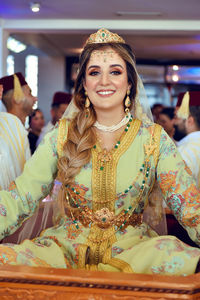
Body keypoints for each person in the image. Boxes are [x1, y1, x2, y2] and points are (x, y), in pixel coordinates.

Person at [0, 28, 200, 275]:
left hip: (135, 252)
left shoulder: (154, 140)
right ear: (84, 83)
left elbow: (190, 206)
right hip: (64, 251)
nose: (104, 81)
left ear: (129, 82)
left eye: (115, 72)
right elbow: (21, 196)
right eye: (95, 72)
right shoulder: (61, 136)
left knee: (180, 256)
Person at [0, 73, 33, 190]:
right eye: (30, 93)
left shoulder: (16, 126)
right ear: (17, 97)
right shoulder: (13, 125)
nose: (35, 98)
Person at [177, 91, 200, 188]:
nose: (175, 122)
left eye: (177, 117)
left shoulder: (185, 150)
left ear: (190, 121)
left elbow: (177, 192)